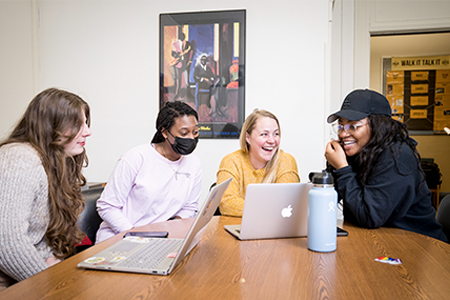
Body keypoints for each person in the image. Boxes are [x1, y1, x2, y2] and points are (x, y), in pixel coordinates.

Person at [325, 89, 447, 242]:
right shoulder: (356, 152)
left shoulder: (397, 155)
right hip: (378, 240)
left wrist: (342, 168)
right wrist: (333, 168)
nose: (343, 134)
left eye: (353, 126)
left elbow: (368, 216)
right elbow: (326, 201)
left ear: (378, 126)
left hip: (418, 245)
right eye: (341, 126)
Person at [0, 88, 92, 289]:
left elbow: (41, 237)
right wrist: (53, 282)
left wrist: (51, 261)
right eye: (78, 124)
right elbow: (7, 243)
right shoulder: (18, 158)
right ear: (51, 126)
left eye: (86, 123)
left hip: (32, 272)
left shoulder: (54, 161)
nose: (87, 131)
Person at [96, 101, 202, 243]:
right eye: (184, 133)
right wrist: (135, 236)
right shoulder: (136, 158)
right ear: (165, 132)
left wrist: (172, 227)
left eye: (195, 132)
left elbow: (189, 207)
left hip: (161, 240)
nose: (191, 138)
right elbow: (107, 206)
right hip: (121, 238)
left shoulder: (193, 163)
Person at [216, 109, 300, 217]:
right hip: (239, 228)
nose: (272, 140)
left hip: (275, 230)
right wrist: (269, 208)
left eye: (276, 134)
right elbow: (226, 203)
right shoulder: (231, 161)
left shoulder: (286, 161)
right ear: (248, 137)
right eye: (264, 134)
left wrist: (252, 208)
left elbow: (286, 203)